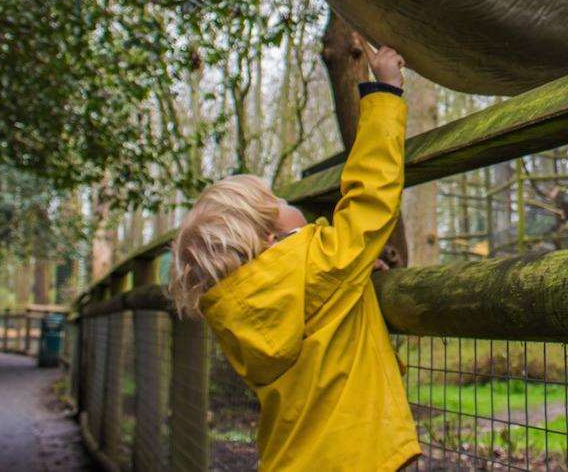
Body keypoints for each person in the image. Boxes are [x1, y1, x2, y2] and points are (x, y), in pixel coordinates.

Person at [168, 45, 420, 472]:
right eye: (276, 199)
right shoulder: (318, 266)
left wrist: (354, 277)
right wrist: (384, 92)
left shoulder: (239, 315)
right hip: (368, 458)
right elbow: (371, 198)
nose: (286, 198)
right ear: (272, 239)